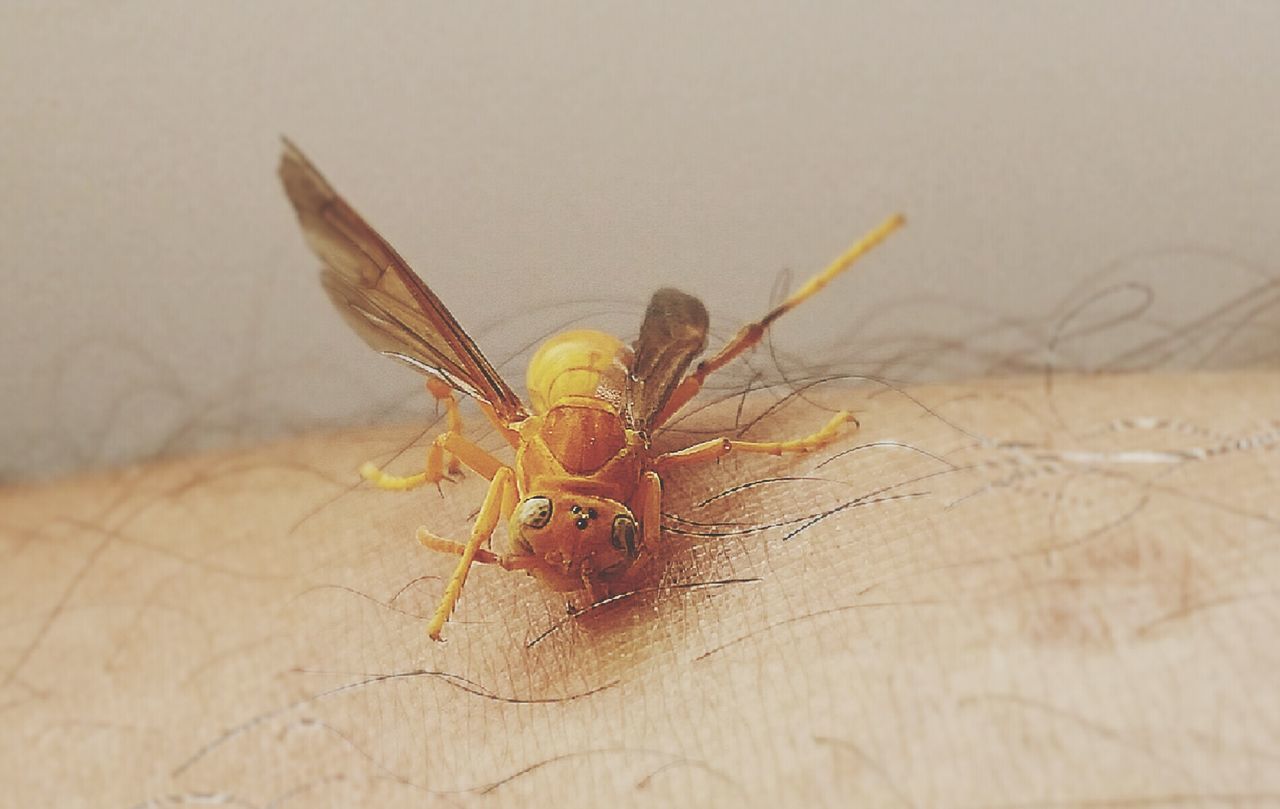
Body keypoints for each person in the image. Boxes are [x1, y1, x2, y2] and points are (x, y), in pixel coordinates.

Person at [3, 370, 1277, 806]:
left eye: (589, 533)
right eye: (568, 532)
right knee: (477, 474)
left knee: (693, 452)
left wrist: (776, 452)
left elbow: (662, 474)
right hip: (531, 415)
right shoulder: (520, 472)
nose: (569, 551)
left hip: (623, 403)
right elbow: (524, 496)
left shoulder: (644, 462)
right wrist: (469, 533)